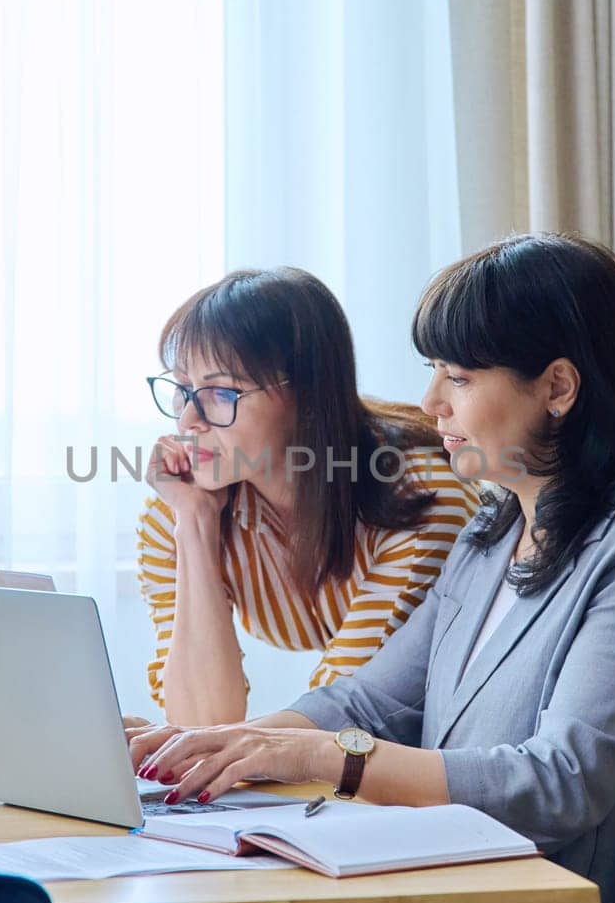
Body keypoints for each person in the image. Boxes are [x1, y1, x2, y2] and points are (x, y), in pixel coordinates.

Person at [129, 233, 615, 903]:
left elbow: (559, 782)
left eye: (458, 377)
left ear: (557, 388)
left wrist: (315, 757)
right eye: (435, 373)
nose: (432, 405)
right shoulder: (495, 530)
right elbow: (373, 700)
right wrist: (221, 742)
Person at [138, 266, 482, 727]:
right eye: (183, 389)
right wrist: (195, 526)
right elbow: (202, 720)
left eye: (221, 392)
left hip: (448, 738)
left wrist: (221, 749)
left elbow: (345, 711)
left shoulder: (418, 500)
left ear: (309, 394)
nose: (187, 422)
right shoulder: (182, 505)